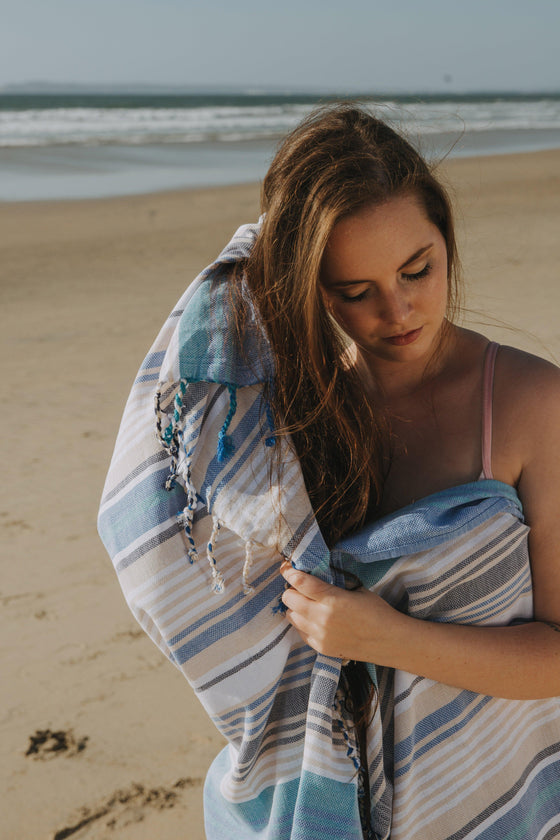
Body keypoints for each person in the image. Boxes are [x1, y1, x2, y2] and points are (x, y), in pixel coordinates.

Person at [98, 105, 560, 840]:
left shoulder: (534, 404)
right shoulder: (283, 423)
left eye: (418, 268)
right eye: (354, 290)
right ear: (311, 285)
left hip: (492, 802)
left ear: (447, 240)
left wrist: (387, 639)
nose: (399, 309)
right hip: (315, 809)